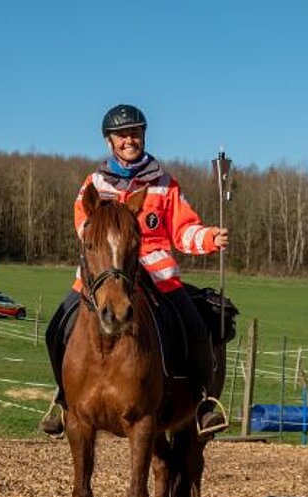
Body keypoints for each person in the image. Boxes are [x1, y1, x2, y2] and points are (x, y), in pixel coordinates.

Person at [39, 104, 229, 436]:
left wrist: (209, 237)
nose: (130, 139)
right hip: (103, 271)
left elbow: (183, 230)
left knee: (197, 329)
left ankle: (202, 404)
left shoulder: (164, 183)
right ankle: (63, 399)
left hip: (157, 272)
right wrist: (111, 247)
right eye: (122, 135)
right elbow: (84, 227)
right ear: (109, 141)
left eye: (136, 133)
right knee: (55, 328)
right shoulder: (94, 183)